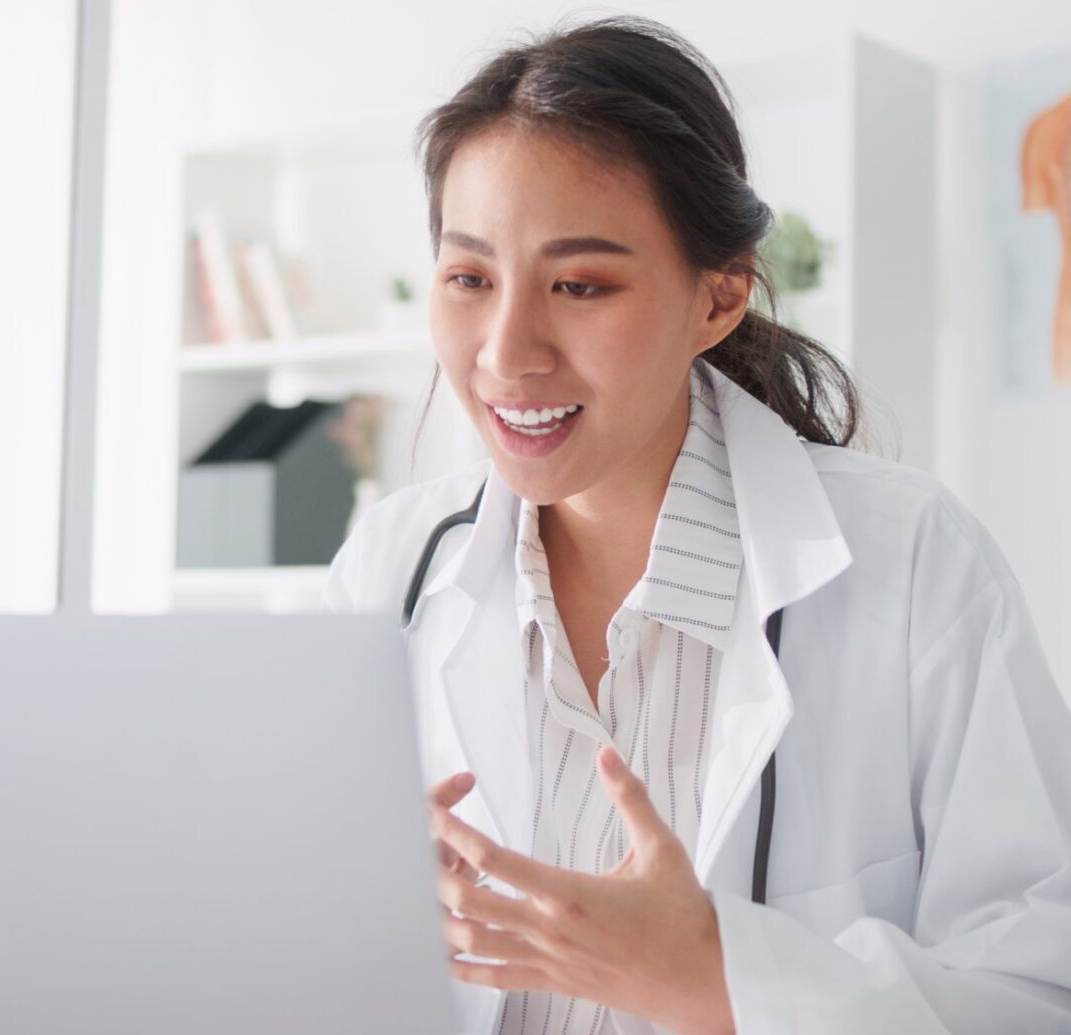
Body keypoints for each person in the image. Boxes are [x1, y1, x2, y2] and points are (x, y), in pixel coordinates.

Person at [322, 16, 1071, 1035]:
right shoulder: (387, 569)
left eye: (579, 285)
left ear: (719, 297)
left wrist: (723, 982)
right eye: (469, 280)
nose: (508, 354)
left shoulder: (917, 564)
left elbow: (1038, 992)